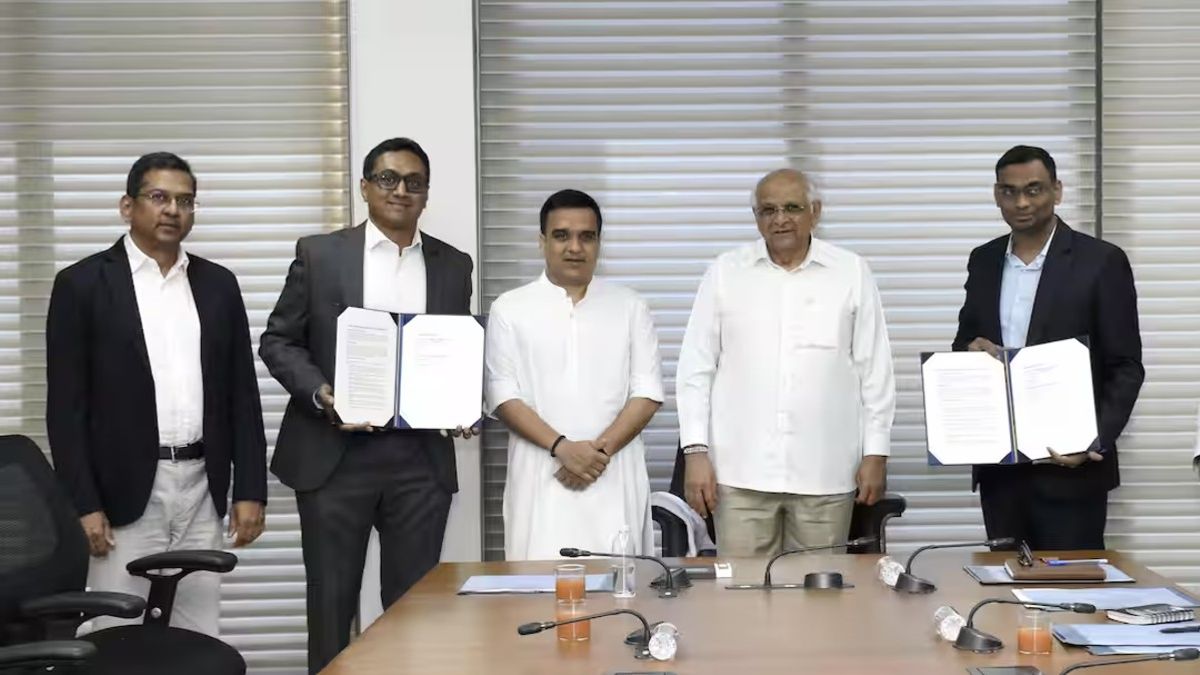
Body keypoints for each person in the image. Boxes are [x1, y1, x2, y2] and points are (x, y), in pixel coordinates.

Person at [259, 137, 476, 673]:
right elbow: (279, 341)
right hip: (334, 455)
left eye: (414, 182)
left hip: (419, 461)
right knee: (331, 607)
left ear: (426, 194)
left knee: (414, 611)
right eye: (388, 179)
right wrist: (322, 394)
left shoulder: (454, 265)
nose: (401, 190)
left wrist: (463, 403)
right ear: (364, 187)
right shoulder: (320, 253)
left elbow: (455, 350)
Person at [45, 152, 267, 636]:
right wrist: (84, 504)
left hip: (202, 485)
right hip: (123, 492)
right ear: (127, 206)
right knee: (115, 631)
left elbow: (241, 397)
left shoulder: (218, 285)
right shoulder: (81, 285)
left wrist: (250, 489)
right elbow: (65, 410)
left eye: (185, 201)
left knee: (197, 630)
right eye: (159, 197)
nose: (172, 210)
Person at [676, 168, 895, 557]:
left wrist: (875, 454)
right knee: (741, 590)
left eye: (792, 208)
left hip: (826, 472)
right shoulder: (726, 272)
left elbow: (874, 371)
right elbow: (696, 370)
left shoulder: (851, 272)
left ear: (815, 211)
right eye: (768, 210)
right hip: (740, 474)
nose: (780, 219)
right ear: (756, 217)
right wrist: (695, 453)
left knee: (820, 591)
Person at [952, 144, 1144, 550]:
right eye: (1009, 191)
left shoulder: (1101, 261)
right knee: (1004, 582)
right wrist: (970, 350)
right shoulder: (983, 260)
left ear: (1057, 190)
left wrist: (1093, 440)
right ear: (996, 195)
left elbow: (1126, 365)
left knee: (1070, 584)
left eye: (1034, 189)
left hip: (1070, 470)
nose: (1021, 203)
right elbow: (964, 341)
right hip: (1000, 469)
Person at [485, 189, 663, 560]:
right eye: (562, 235)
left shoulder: (629, 306)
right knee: (537, 584)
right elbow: (503, 396)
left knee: (620, 583)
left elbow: (646, 393)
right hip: (540, 476)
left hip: (613, 474)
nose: (575, 247)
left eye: (587, 236)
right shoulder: (510, 308)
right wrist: (562, 449)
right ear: (542, 242)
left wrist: (595, 455)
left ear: (599, 243)